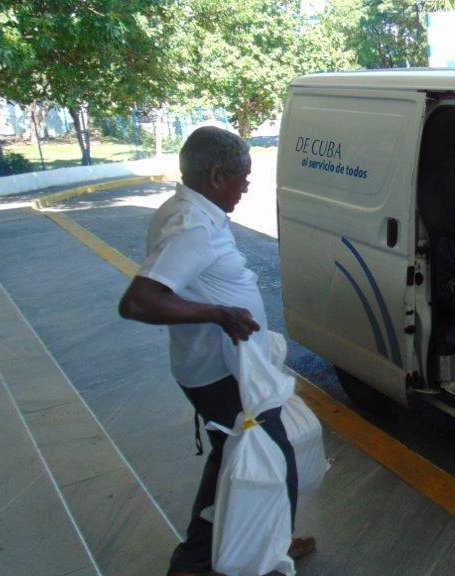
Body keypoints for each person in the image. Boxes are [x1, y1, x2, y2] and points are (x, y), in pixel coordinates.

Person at [118, 126, 314, 576]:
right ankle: (244, 557)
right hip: (221, 377)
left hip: (219, 371)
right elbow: (139, 301)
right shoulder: (190, 225)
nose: (248, 184)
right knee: (269, 459)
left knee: (231, 459)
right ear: (216, 174)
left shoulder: (192, 211)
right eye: (243, 176)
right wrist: (219, 314)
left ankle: (244, 549)